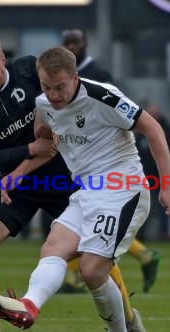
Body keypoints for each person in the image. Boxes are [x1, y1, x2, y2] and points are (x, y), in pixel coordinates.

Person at [0, 29, 151, 332]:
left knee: (92, 254)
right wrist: (31, 148)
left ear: (3, 59)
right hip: (19, 181)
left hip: (66, 175)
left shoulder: (32, 69)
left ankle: (129, 324)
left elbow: (72, 98)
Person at [55, 25, 163, 294]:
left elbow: (125, 117)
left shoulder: (98, 76)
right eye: (66, 41)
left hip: (105, 164)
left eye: (75, 41)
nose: (71, 45)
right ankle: (143, 255)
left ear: (85, 43)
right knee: (70, 216)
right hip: (75, 156)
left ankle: (77, 277)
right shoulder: (54, 83)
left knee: (85, 220)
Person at [136, 103, 170, 242]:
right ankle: (140, 233)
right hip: (144, 173)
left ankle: (166, 232)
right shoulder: (139, 131)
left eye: (155, 113)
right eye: (150, 114)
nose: (153, 116)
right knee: (142, 204)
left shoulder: (166, 130)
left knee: (166, 204)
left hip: (161, 174)